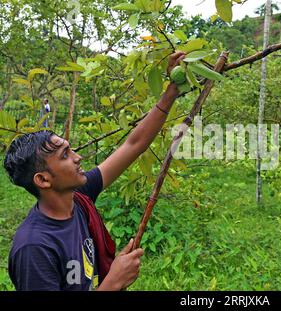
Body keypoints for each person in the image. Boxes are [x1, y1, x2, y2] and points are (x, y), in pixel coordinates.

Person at [3, 51, 186, 291]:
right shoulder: (34, 248)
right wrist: (113, 282)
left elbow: (134, 144)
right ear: (43, 179)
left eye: (72, 150)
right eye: (65, 155)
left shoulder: (79, 198)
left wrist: (171, 91)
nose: (78, 158)